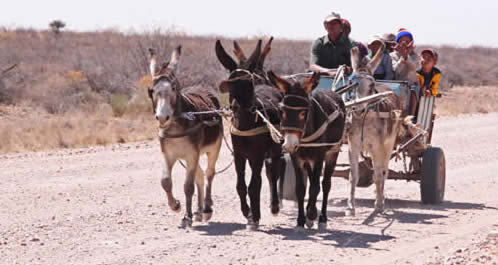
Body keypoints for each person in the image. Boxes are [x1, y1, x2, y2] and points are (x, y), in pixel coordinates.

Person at [309, 12, 353, 76]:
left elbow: (355, 67)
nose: (331, 26)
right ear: (325, 26)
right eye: (328, 23)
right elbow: (312, 66)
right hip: (321, 80)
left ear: (340, 26)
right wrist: (328, 72)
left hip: (344, 81)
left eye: (334, 23)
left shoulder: (351, 44)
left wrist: (347, 70)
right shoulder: (319, 43)